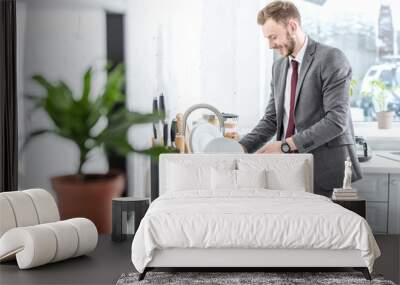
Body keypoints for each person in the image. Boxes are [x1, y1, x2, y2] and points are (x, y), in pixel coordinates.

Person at [239, 0, 362, 197]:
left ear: (292, 26)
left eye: (273, 36)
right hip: (288, 170)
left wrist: (286, 145)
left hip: (326, 170)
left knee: (324, 227)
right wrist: (240, 147)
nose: (270, 45)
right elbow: (272, 119)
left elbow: (336, 121)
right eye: (267, 38)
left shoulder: (331, 58)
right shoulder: (279, 67)